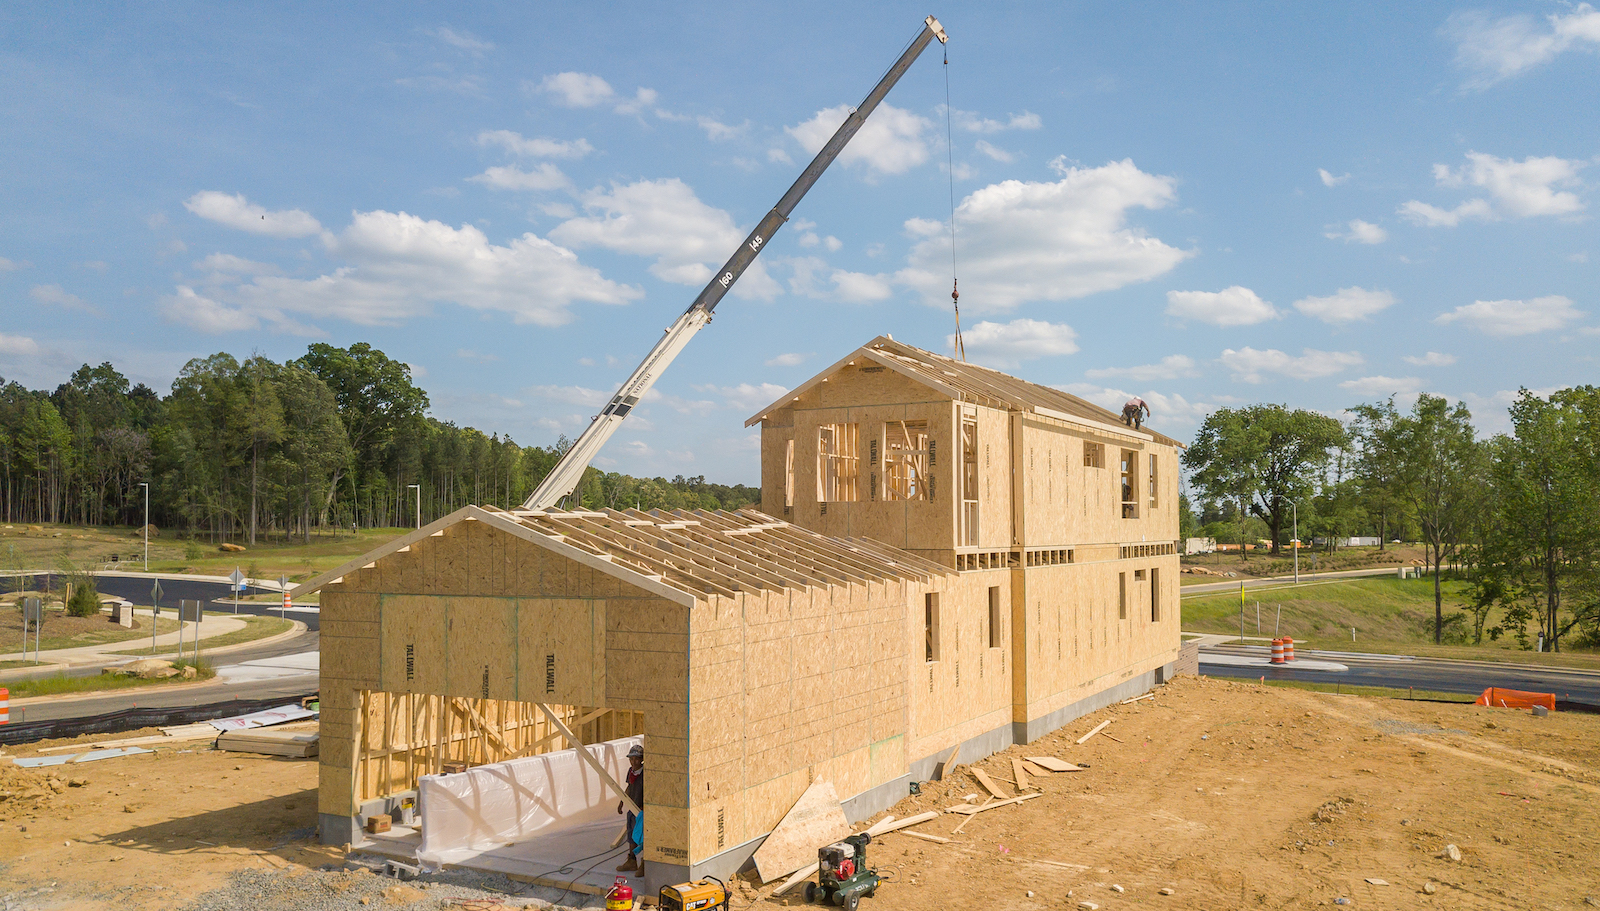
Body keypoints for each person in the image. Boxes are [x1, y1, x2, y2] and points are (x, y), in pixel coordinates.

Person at [616, 743, 645, 873]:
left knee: (644, 836)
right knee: (631, 834)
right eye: (631, 759)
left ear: (642, 759)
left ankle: (645, 863)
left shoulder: (645, 773)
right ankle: (632, 860)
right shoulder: (631, 772)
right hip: (632, 808)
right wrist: (622, 802)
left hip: (642, 810)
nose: (634, 762)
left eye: (636, 759)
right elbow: (629, 787)